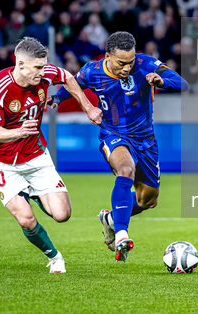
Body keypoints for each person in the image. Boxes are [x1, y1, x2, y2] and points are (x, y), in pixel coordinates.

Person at [48, 32, 189, 262]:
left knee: (148, 200)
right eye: (121, 63)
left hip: (145, 140)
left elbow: (182, 84)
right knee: (126, 169)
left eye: (130, 62)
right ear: (107, 56)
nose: (127, 68)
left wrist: (162, 81)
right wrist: (57, 98)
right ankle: (122, 234)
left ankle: (111, 219)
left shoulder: (146, 64)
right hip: (113, 134)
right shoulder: (92, 71)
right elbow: (73, 84)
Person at [0, 37, 102, 273]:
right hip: (3, 162)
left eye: (44, 65)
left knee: (62, 215)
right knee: (26, 219)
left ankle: (34, 193)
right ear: (20, 64)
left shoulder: (46, 73)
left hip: (36, 156)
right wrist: (18, 131)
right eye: (37, 67)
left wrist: (88, 107)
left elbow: (67, 77)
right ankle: (54, 257)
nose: (42, 72)